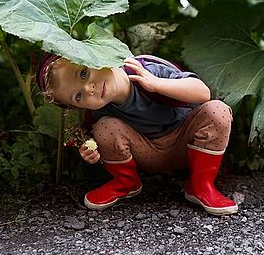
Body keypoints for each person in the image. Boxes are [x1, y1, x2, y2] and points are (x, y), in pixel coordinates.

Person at [36, 53, 238, 216]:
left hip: (185, 144)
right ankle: (126, 183)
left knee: (217, 110)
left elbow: (203, 93)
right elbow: (94, 139)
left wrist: (156, 83)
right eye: (78, 96)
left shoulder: (144, 69)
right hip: (147, 153)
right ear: (75, 106)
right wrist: (90, 150)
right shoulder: (99, 111)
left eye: (83, 73)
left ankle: (201, 186)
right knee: (104, 127)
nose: (89, 89)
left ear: (95, 55)